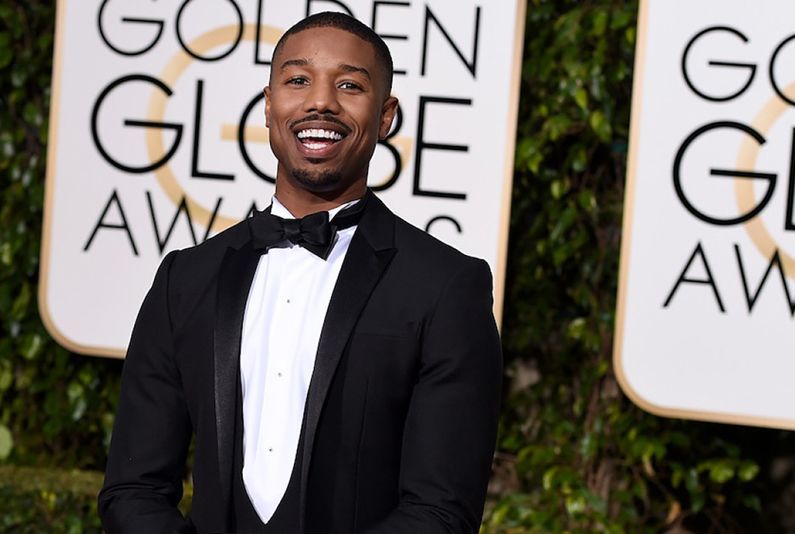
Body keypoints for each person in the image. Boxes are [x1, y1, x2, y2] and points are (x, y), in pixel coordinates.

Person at [98, 11, 502, 534]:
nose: (321, 102)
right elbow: (133, 491)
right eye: (297, 80)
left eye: (350, 85)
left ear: (385, 115)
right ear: (268, 106)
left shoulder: (445, 287)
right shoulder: (186, 279)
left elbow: (441, 511)